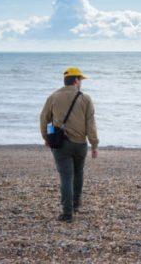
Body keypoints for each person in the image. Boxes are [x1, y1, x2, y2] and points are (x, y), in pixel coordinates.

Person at [40, 67, 99, 223]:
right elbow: (90, 123)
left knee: (66, 177)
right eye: (80, 80)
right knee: (78, 173)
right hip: (80, 144)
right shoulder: (86, 98)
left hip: (60, 144)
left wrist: (46, 137)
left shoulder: (53, 97)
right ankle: (75, 204)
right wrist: (94, 144)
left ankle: (67, 214)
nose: (81, 83)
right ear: (75, 81)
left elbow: (44, 119)